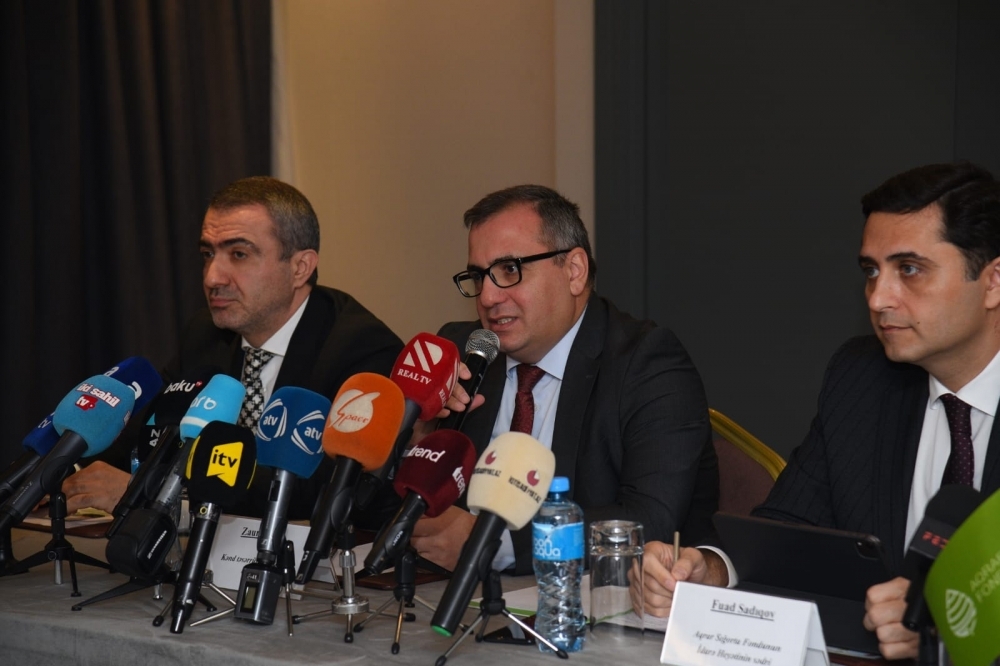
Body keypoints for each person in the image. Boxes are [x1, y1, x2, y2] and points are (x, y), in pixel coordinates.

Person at [635, 162, 1000, 660]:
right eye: (871, 271)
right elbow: (789, 527)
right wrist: (711, 570)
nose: (879, 298)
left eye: (909, 270)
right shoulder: (863, 378)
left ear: (993, 282)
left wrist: (954, 629)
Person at [409, 184, 719, 575]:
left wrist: (491, 542)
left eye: (509, 270)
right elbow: (393, 510)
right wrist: (414, 440)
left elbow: (648, 519)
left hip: (592, 600)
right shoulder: (464, 352)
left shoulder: (647, 363)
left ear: (574, 271)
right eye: (478, 276)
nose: (487, 297)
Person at [62, 176, 404, 522]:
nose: (212, 277)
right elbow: (145, 436)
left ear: (300, 268)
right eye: (208, 254)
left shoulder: (361, 351)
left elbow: (322, 492)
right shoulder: (205, 334)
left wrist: (145, 493)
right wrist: (63, 474)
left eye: (239, 254)